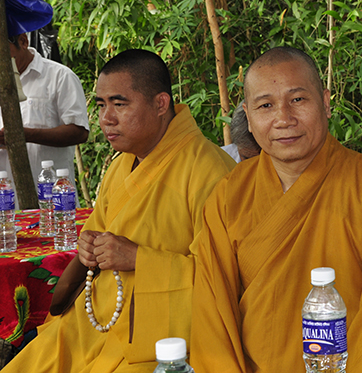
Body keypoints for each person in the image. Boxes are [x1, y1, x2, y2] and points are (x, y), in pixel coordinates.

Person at [4, 49, 236, 372]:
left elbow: (226, 280)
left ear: (161, 104)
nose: (106, 118)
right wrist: (88, 248)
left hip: (161, 340)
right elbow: (95, 233)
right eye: (101, 105)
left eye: (119, 104)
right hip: (94, 324)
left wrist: (139, 258)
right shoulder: (121, 165)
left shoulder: (209, 171)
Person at [190, 47, 362, 372]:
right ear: (248, 118)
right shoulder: (229, 195)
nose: (284, 118)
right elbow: (212, 317)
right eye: (266, 105)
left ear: (325, 103)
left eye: (297, 99)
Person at [0, 32, 89, 189]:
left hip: (51, 195)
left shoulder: (60, 76)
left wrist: (26, 135)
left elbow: (79, 131)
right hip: (5, 196)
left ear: (23, 41)